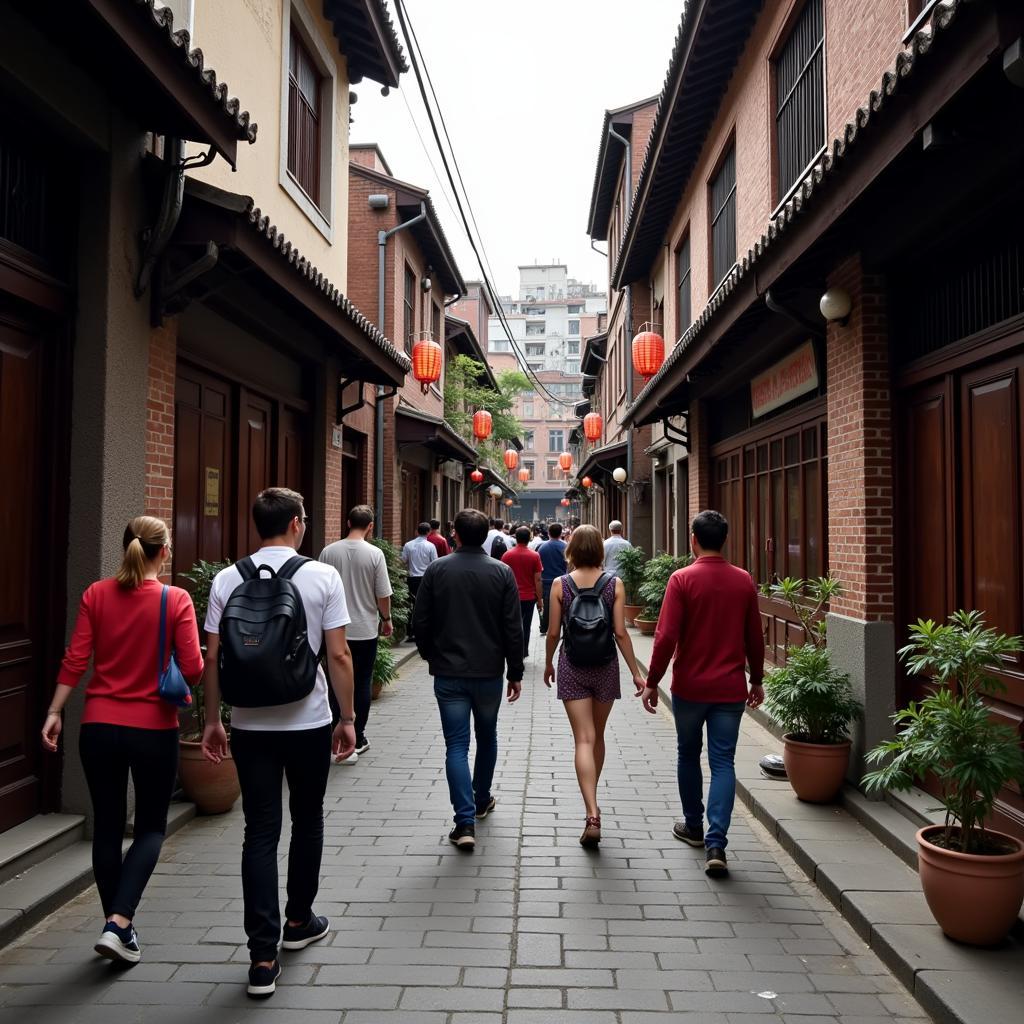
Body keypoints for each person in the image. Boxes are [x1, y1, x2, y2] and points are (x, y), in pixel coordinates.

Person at [201, 488, 355, 998]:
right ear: (294, 523)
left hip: (248, 724)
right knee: (308, 819)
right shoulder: (320, 576)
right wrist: (347, 717)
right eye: (304, 518)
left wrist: (213, 720)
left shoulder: (227, 578)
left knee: (260, 830)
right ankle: (299, 921)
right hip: (308, 721)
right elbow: (338, 657)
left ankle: (262, 956)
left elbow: (213, 657)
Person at [42, 516, 204, 965]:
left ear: (125, 547)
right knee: (151, 827)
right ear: (164, 552)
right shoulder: (176, 599)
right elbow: (192, 668)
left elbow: (76, 659)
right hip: (153, 729)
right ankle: (119, 922)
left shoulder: (96, 593)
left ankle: (117, 927)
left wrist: (55, 711)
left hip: (97, 728)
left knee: (107, 828)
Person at [640, 510, 765, 879]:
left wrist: (652, 680)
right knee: (724, 762)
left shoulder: (681, 579)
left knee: (687, 753)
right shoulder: (743, 580)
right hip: (729, 689)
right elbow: (754, 638)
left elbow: (665, 637)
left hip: (690, 688)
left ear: (693, 539)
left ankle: (693, 826)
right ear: (723, 539)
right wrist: (756, 679)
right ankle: (716, 843)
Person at [413, 508, 524, 850]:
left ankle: (464, 823)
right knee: (487, 736)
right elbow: (512, 628)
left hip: (449, 674)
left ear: (455, 535)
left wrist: (431, 655)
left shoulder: (437, 570)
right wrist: (515, 671)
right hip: (488, 673)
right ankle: (481, 799)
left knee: (456, 746)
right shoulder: (502, 572)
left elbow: (420, 622)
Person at [543, 524, 645, 847]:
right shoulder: (614, 584)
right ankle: (594, 800)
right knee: (597, 736)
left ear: (571, 550)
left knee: (582, 740)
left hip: (572, 665)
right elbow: (621, 632)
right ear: (600, 551)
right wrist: (636, 673)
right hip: (605, 666)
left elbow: (553, 633)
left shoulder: (560, 584)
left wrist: (548, 663)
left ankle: (591, 812)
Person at [319, 504, 393, 764]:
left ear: (348, 522)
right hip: (364, 629)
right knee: (361, 682)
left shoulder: (328, 552)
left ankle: (332, 735)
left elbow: (320, 590)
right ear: (370, 526)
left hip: (333, 629)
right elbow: (382, 593)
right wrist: (387, 619)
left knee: (332, 680)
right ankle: (358, 737)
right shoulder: (375, 554)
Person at [502, 526, 544, 658]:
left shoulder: (507, 555)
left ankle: (512, 650)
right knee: (526, 625)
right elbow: (537, 580)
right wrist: (540, 600)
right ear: (529, 538)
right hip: (528, 597)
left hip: (510, 597)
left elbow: (502, 577)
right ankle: (523, 650)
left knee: (511, 625)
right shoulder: (534, 555)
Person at [401, 522, 438, 641]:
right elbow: (435, 563)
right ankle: (425, 630)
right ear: (429, 532)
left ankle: (411, 632)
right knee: (426, 604)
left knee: (412, 604)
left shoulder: (408, 545)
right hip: (426, 578)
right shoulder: (430, 546)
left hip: (412, 579)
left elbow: (403, 561)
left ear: (417, 531)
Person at [537, 521, 568, 635]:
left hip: (547, 582)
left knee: (548, 607)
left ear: (548, 533)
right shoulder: (565, 546)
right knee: (565, 606)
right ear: (561, 533)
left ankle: (545, 628)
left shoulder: (541, 547)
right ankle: (565, 628)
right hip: (563, 581)